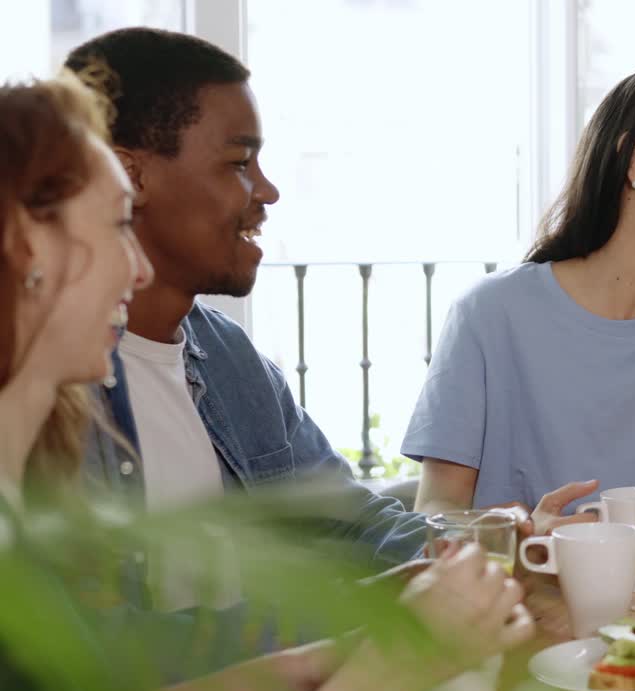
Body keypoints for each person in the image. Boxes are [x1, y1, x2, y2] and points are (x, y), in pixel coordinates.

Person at [0, 72, 533, 691]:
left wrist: (342, 643)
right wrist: (395, 659)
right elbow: (121, 666)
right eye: (117, 226)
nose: (136, 266)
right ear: (27, 250)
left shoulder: (230, 361)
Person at [61, 28, 427, 576]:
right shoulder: (47, 386)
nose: (268, 191)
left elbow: (353, 524)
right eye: (239, 163)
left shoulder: (230, 356)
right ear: (131, 177)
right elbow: (107, 646)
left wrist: (503, 541)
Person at [402, 68, 635, 549]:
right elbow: (438, 512)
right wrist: (516, 535)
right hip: (524, 611)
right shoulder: (488, 313)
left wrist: (603, 536)